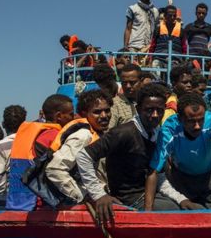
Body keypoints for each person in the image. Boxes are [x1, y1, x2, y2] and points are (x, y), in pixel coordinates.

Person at [76, 83, 178, 224]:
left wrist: (181, 199)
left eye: (159, 110)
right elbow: (83, 156)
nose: (155, 115)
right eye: (149, 110)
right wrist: (98, 195)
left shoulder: (157, 132)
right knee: (173, 211)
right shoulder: (124, 133)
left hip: (148, 194)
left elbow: (157, 173)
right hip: (129, 199)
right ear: (138, 109)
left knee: (182, 205)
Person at [145, 93, 211, 210]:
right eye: (191, 121)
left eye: (200, 120)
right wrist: (147, 212)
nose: (197, 126)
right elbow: (154, 170)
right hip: (180, 180)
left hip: (209, 181)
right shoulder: (170, 128)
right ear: (180, 118)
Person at [45, 90, 113, 203]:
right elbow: (54, 169)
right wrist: (83, 196)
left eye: (107, 110)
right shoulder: (83, 136)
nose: (104, 116)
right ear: (84, 113)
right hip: (79, 204)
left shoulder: (99, 133)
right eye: (97, 112)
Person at [124, 0, 159, 66]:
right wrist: (125, 46)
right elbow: (128, 28)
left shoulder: (155, 11)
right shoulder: (133, 9)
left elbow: (156, 31)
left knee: (147, 71)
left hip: (148, 46)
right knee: (133, 69)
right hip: (134, 45)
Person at [148, 5, 187, 69]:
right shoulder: (158, 29)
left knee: (175, 71)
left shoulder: (181, 31)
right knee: (155, 65)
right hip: (159, 58)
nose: (172, 17)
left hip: (175, 59)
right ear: (165, 16)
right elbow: (153, 45)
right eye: (170, 15)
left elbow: (184, 47)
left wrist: (183, 59)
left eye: (174, 16)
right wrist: (150, 57)